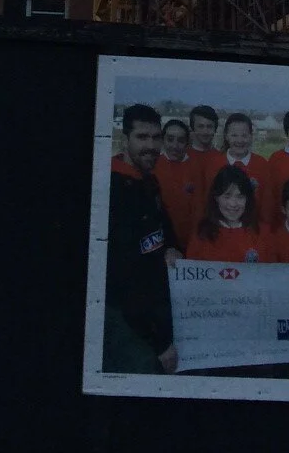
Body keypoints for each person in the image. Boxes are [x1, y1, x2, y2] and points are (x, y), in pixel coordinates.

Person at [104, 103, 180, 374]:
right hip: (130, 319)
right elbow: (124, 280)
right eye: (142, 137)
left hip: (155, 305)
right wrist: (160, 344)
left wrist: (172, 246)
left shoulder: (148, 180)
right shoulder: (112, 189)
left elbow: (163, 225)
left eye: (156, 137)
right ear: (125, 139)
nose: (151, 145)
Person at [186, 166, 268, 263]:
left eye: (240, 197)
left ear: (247, 199)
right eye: (227, 196)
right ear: (216, 197)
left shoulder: (263, 233)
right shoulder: (201, 234)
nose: (233, 204)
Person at [211, 112, 271, 226]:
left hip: (253, 231)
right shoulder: (214, 164)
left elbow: (267, 205)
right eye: (234, 135)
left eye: (244, 135)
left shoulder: (262, 164)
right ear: (226, 136)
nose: (239, 140)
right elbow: (209, 202)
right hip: (220, 230)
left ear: (251, 136)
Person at [155, 117, 200, 251]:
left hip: (191, 243)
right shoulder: (153, 166)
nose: (175, 146)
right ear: (163, 140)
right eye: (170, 139)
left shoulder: (197, 167)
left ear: (187, 143)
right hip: (161, 243)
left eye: (180, 141)